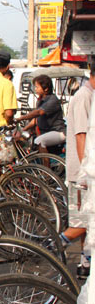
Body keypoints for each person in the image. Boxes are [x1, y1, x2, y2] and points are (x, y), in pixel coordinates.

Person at [61, 57, 94, 279]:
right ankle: (53, 245)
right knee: (86, 220)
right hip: (82, 172)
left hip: (84, 170)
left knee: (86, 221)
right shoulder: (84, 97)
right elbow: (81, 135)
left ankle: (85, 263)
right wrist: (87, 172)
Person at [14, 74, 66, 153]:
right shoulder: (41, 100)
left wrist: (21, 118)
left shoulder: (52, 100)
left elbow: (38, 112)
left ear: (46, 89)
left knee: (39, 141)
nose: (35, 89)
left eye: (37, 87)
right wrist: (23, 130)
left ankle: (45, 165)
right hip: (46, 132)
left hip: (58, 131)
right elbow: (36, 120)